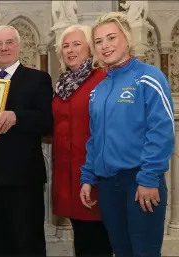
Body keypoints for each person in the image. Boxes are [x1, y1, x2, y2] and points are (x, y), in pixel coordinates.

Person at [80, 12, 174, 257]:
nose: (105, 46)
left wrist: (149, 178)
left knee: (144, 252)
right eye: (99, 41)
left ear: (128, 39)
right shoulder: (97, 91)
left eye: (111, 37)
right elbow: (94, 139)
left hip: (140, 181)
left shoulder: (149, 78)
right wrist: (88, 177)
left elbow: (161, 131)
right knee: (121, 251)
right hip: (109, 185)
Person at [0, 25, 53, 257]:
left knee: (27, 242)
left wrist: (17, 116)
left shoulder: (38, 79)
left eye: (9, 42)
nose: (4, 47)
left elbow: (47, 122)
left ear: (19, 46)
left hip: (24, 180)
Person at [52, 24, 112, 257]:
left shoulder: (103, 79)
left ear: (91, 48)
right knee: (82, 238)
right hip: (67, 177)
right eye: (66, 46)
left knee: (99, 240)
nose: (70, 50)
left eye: (77, 44)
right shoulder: (62, 84)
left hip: (95, 175)